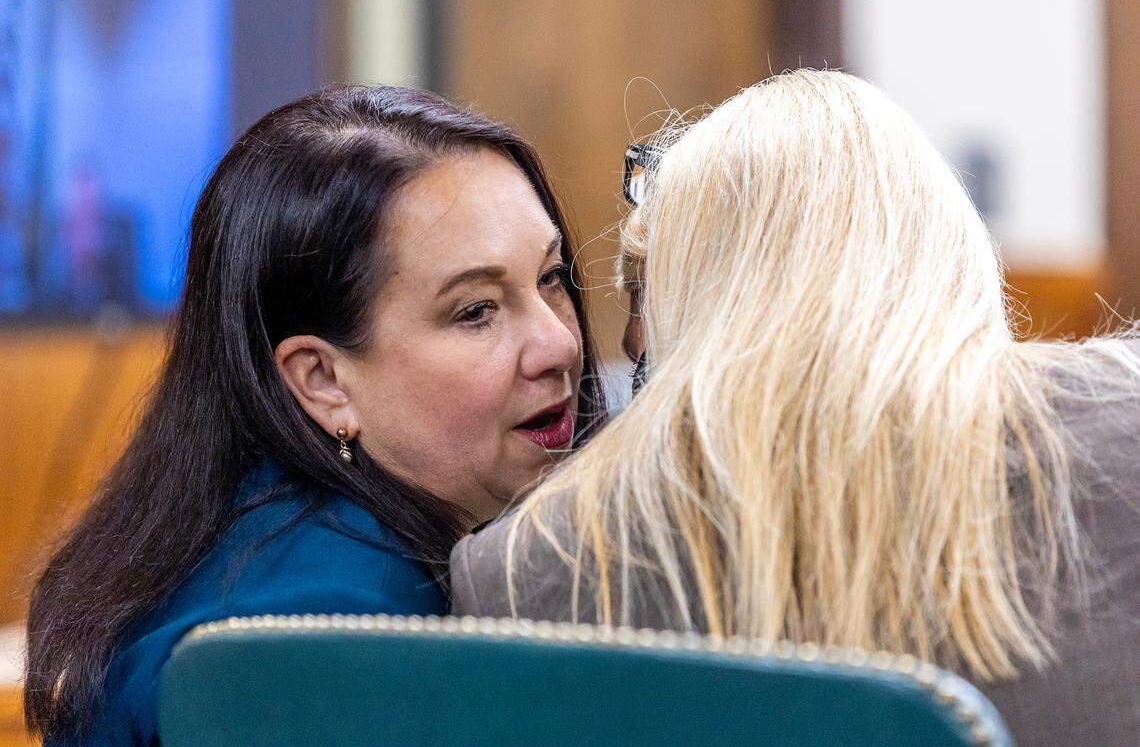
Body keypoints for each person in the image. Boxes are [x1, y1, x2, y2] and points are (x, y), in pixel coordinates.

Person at [450, 70, 1140, 745]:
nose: (627, 340)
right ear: (947, 248)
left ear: (685, 308)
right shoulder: (1122, 427)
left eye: (642, 290)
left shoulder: (526, 572)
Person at [25, 85, 606, 745]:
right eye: (475, 311)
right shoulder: (323, 628)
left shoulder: (277, 535)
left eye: (551, 277)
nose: (559, 343)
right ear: (324, 380)